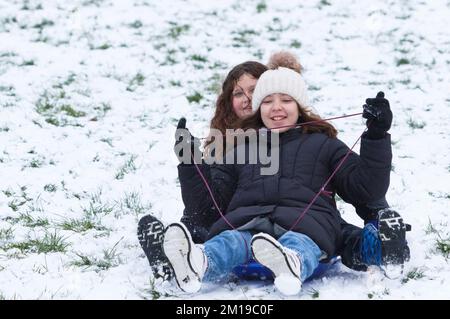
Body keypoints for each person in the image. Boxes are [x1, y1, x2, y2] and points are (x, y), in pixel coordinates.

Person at [137, 53, 409, 281]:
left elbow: (365, 187)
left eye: (286, 100)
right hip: (246, 227)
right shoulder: (239, 148)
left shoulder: (323, 144)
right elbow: (210, 208)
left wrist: (375, 136)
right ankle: (195, 264)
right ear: (258, 109)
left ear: (300, 106)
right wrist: (190, 163)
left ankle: (293, 263)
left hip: (304, 227)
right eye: (266, 101)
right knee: (226, 243)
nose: (276, 108)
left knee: (302, 243)